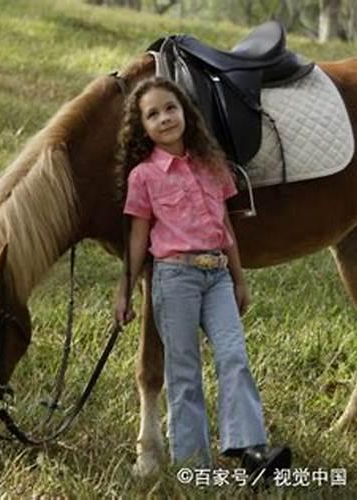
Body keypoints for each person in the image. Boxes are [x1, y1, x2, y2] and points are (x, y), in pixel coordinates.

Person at [113, 76, 291, 481]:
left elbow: (225, 225)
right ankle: (193, 466)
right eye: (152, 114)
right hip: (175, 279)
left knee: (233, 356)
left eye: (170, 108)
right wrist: (124, 288)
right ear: (142, 127)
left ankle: (250, 448)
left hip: (218, 277)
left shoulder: (212, 165)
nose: (164, 118)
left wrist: (240, 277)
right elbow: (139, 237)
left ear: (185, 113)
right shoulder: (144, 177)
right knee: (184, 370)